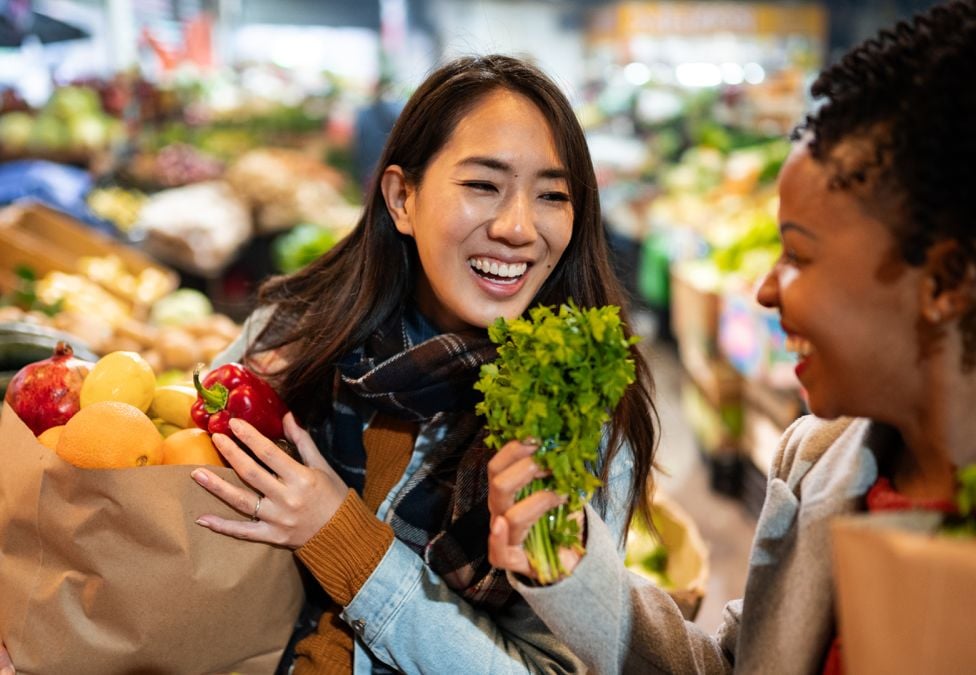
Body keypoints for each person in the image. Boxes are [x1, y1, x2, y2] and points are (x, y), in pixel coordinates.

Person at [0, 53, 662, 675]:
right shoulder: (293, 331)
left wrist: (344, 538)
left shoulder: (579, 416)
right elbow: (162, 508)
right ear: (401, 197)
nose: (520, 227)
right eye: (484, 185)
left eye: (553, 195)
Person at [486, 1, 976, 673]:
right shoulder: (811, 464)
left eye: (799, 256)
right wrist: (574, 567)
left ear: (945, 279)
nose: (765, 289)